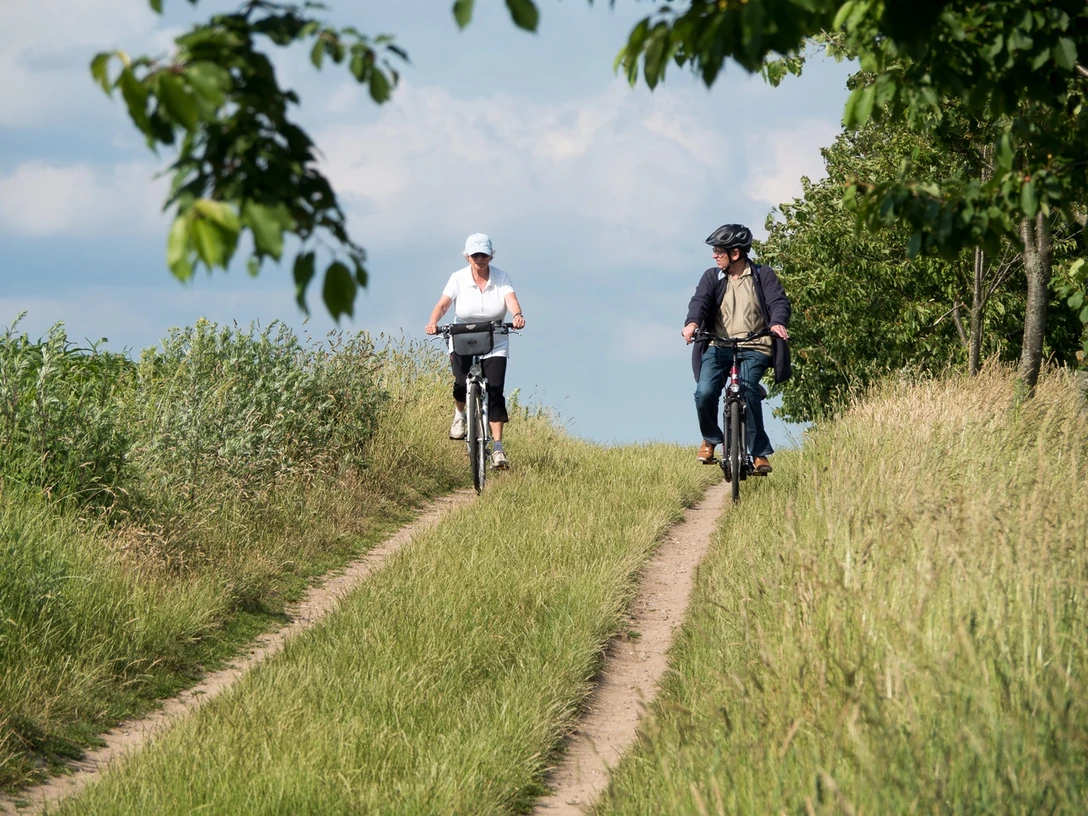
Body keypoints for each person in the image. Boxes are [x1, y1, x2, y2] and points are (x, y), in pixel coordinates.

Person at [682, 224, 791, 474]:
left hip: (755, 346)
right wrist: (692, 323)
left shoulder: (763, 275)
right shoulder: (712, 277)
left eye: (719, 250)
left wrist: (777, 323)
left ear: (736, 253)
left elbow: (778, 302)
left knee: (745, 388)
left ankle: (760, 453)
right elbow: (700, 302)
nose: (714, 255)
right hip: (718, 345)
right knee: (705, 392)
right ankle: (710, 438)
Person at [426, 233, 526, 470]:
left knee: (495, 389)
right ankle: (460, 416)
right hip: (463, 336)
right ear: (467, 256)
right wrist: (432, 322)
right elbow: (443, 305)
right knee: (461, 383)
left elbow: (511, 299)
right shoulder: (458, 278)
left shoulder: (501, 277)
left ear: (491, 255)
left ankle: (498, 449)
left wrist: (518, 315)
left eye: (483, 254)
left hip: (496, 337)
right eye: (475, 255)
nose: (479, 259)